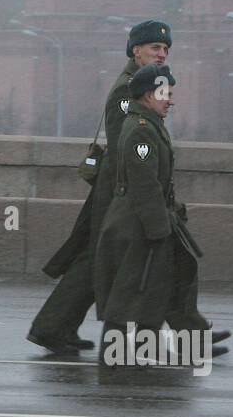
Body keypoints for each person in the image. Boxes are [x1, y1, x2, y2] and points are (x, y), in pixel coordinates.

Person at [29, 20, 178, 356]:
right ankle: (54, 327)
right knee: (102, 259)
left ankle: (55, 327)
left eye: (165, 49)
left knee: (94, 258)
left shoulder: (137, 82)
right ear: (135, 50)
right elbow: (124, 146)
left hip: (116, 188)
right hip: (116, 190)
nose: (161, 54)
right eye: (155, 47)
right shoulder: (129, 90)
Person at [91, 64, 227, 363]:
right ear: (148, 95)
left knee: (152, 287)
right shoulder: (141, 130)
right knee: (131, 289)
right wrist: (159, 229)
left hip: (143, 220)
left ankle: (144, 346)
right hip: (137, 224)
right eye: (165, 93)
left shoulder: (149, 124)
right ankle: (113, 354)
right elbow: (144, 183)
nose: (170, 100)